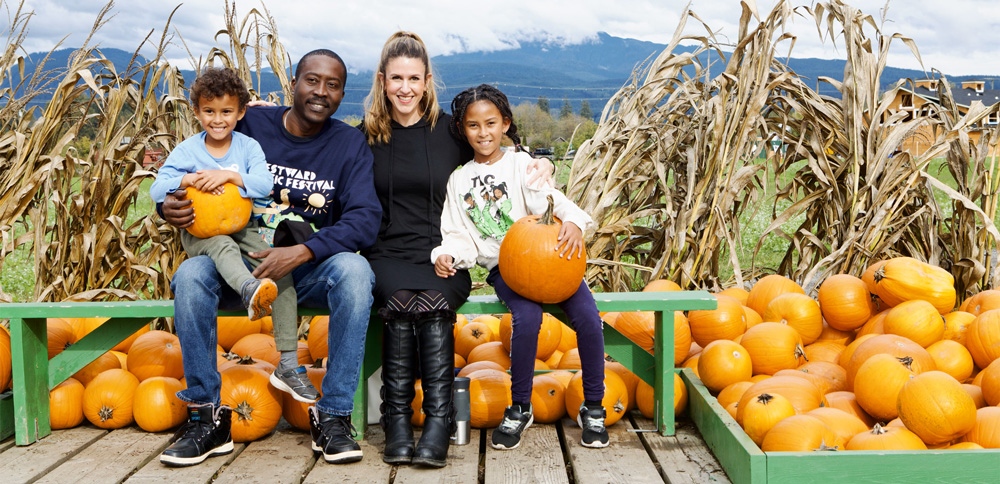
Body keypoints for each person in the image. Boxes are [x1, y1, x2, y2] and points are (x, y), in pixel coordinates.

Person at [157, 50, 381, 467]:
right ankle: (206, 417)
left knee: (355, 270)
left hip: (307, 266)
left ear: (342, 94)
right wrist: (168, 206)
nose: (320, 92)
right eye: (312, 80)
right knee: (190, 275)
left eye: (332, 85)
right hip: (236, 261)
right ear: (292, 84)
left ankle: (332, 417)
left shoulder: (348, 143)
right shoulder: (252, 122)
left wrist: (302, 251)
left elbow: (365, 218)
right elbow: (198, 153)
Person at [360, 32, 553, 467]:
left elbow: (500, 149)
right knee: (401, 301)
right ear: (382, 81)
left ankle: (435, 423)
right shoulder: (366, 136)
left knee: (430, 302)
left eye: (414, 78)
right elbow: (314, 140)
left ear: (427, 81)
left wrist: (545, 160)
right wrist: (262, 116)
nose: (405, 88)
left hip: (447, 252)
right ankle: (396, 422)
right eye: (396, 78)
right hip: (387, 254)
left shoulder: (450, 132)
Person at [432, 84, 609, 450]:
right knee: (526, 321)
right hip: (507, 269)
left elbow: (554, 201)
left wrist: (573, 221)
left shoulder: (521, 165)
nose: (483, 133)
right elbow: (456, 231)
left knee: (589, 319)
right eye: (474, 126)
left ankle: (593, 405)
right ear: (463, 130)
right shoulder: (459, 180)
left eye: (491, 123)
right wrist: (448, 254)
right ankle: (521, 405)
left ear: (505, 124)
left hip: (552, 260)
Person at [148, 67, 319, 410]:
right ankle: (247, 288)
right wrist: (188, 181)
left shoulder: (247, 147)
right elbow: (157, 186)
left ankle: (287, 361)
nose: (217, 119)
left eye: (226, 112)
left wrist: (227, 175)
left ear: (240, 112)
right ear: (196, 112)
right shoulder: (187, 152)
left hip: (246, 228)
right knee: (222, 245)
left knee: (278, 269)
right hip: (202, 234)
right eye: (209, 111)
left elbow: (264, 184)